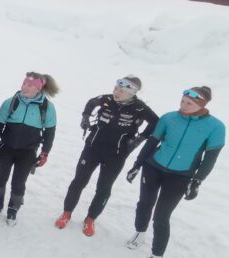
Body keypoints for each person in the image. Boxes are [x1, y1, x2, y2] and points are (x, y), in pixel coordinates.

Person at [124, 87, 224, 258]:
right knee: (145, 203)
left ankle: (156, 257)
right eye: (182, 101)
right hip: (153, 167)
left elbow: (211, 158)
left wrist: (197, 181)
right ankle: (140, 233)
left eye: (190, 104)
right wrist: (137, 165)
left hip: (181, 175)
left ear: (202, 105)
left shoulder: (216, 127)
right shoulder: (169, 118)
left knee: (162, 215)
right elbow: (152, 143)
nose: (183, 106)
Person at [57, 76, 159, 235]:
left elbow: (156, 122)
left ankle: (90, 219)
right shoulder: (106, 99)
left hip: (117, 155)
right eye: (116, 88)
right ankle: (66, 213)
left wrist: (140, 138)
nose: (116, 92)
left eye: (122, 90)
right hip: (92, 148)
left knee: (103, 188)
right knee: (79, 181)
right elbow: (91, 102)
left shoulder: (139, 108)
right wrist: (85, 117)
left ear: (132, 93)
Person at [0, 72, 59, 226]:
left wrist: (45, 152)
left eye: (30, 85)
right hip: (6, 147)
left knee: (19, 182)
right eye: (24, 83)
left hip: (28, 152)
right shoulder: (11, 102)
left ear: (39, 89)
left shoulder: (47, 108)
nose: (25, 87)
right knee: (0, 178)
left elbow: (49, 133)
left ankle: (13, 210)